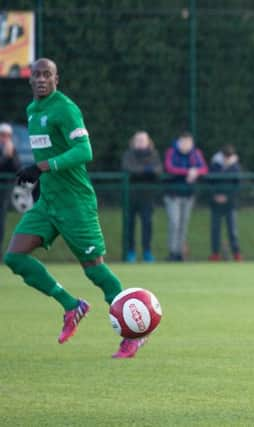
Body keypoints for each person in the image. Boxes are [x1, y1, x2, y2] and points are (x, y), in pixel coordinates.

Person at [3, 58, 148, 358]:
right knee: (15, 257)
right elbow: (51, 148)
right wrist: (44, 179)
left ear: (57, 79)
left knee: (94, 270)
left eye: (48, 75)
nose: (42, 79)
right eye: (37, 75)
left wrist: (42, 167)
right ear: (30, 80)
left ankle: (135, 334)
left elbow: (84, 151)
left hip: (75, 203)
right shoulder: (33, 111)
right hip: (49, 202)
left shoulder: (65, 108)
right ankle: (72, 306)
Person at [163, 131, 208, 261]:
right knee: (174, 223)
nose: (186, 144)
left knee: (183, 225)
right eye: (183, 142)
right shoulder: (171, 152)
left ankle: (180, 253)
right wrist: (188, 171)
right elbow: (169, 168)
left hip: (188, 195)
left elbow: (204, 168)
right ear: (178, 142)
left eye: (188, 142)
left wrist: (196, 172)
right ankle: (172, 252)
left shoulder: (196, 153)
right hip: (173, 195)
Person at [121, 130, 163, 263]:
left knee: (147, 225)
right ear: (133, 142)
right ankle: (130, 252)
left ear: (148, 141)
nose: (140, 142)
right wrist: (146, 170)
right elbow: (129, 168)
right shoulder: (128, 154)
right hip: (130, 196)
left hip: (147, 196)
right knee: (129, 225)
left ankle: (147, 252)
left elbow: (157, 170)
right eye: (138, 140)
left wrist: (143, 170)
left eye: (143, 140)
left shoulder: (154, 154)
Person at [208, 144, 242, 261]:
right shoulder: (215, 165)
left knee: (232, 230)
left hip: (230, 204)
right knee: (215, 230)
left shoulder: (235, 167)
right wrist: (215, 196)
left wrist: (227, 197)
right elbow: (209, 183)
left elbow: (237, 186)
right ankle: (215, 254)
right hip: (215, 203)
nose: (227, 159)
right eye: (225, 156)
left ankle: (236, 253)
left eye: (229, 156)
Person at [0, 123, 20, 255]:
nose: (4, 138)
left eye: (7, 135)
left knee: (1, 218)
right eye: (2, 135)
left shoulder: (12, 150)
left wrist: (10, 155)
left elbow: (16, 169)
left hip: (4, 190)